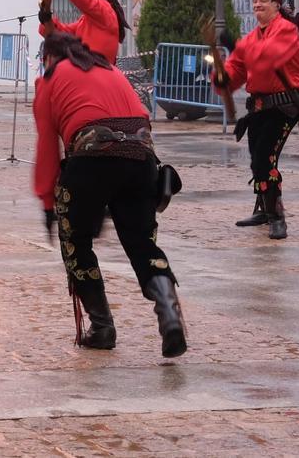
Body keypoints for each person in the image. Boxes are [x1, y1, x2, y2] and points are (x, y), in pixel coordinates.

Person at [34, 31, 186, 358]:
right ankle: (168, 312)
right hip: (140, 157)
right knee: (142, 242)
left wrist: (48, 203)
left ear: (49, 56)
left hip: (91, 157)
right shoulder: (111, 70)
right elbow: (142, 119)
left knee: (75, 241)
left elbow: (47, 146)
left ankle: (102, 326)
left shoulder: (51, 78)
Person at [214, 0, 299, 240]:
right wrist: (224, 78)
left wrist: (236, 46)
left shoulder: (287, 30)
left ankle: (277, 216)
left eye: (263, 0)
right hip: (259, 107)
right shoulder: (252, 37)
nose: (257, 5)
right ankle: (263, 209)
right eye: (255, 1)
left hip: (284, 106)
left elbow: (269, 58)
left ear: (277, 5)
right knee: (257, 158)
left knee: (265, 157)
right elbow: (239, 69)